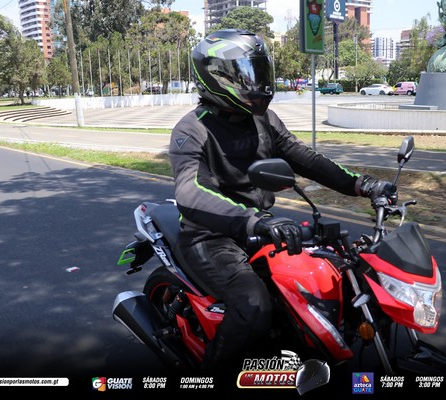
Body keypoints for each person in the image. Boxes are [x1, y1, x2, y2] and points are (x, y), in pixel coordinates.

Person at [168, 29, 394, 373]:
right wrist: (255, 221)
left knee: (331, 284)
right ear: (217, 77)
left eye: (259, 71)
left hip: (260, 230)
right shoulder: (192, 130)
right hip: (210, 238)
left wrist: (363, 185)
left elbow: (304, 158)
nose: (257, 83)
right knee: (253, 307)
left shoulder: (264, 119)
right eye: (246, 74)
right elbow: (190, 191)